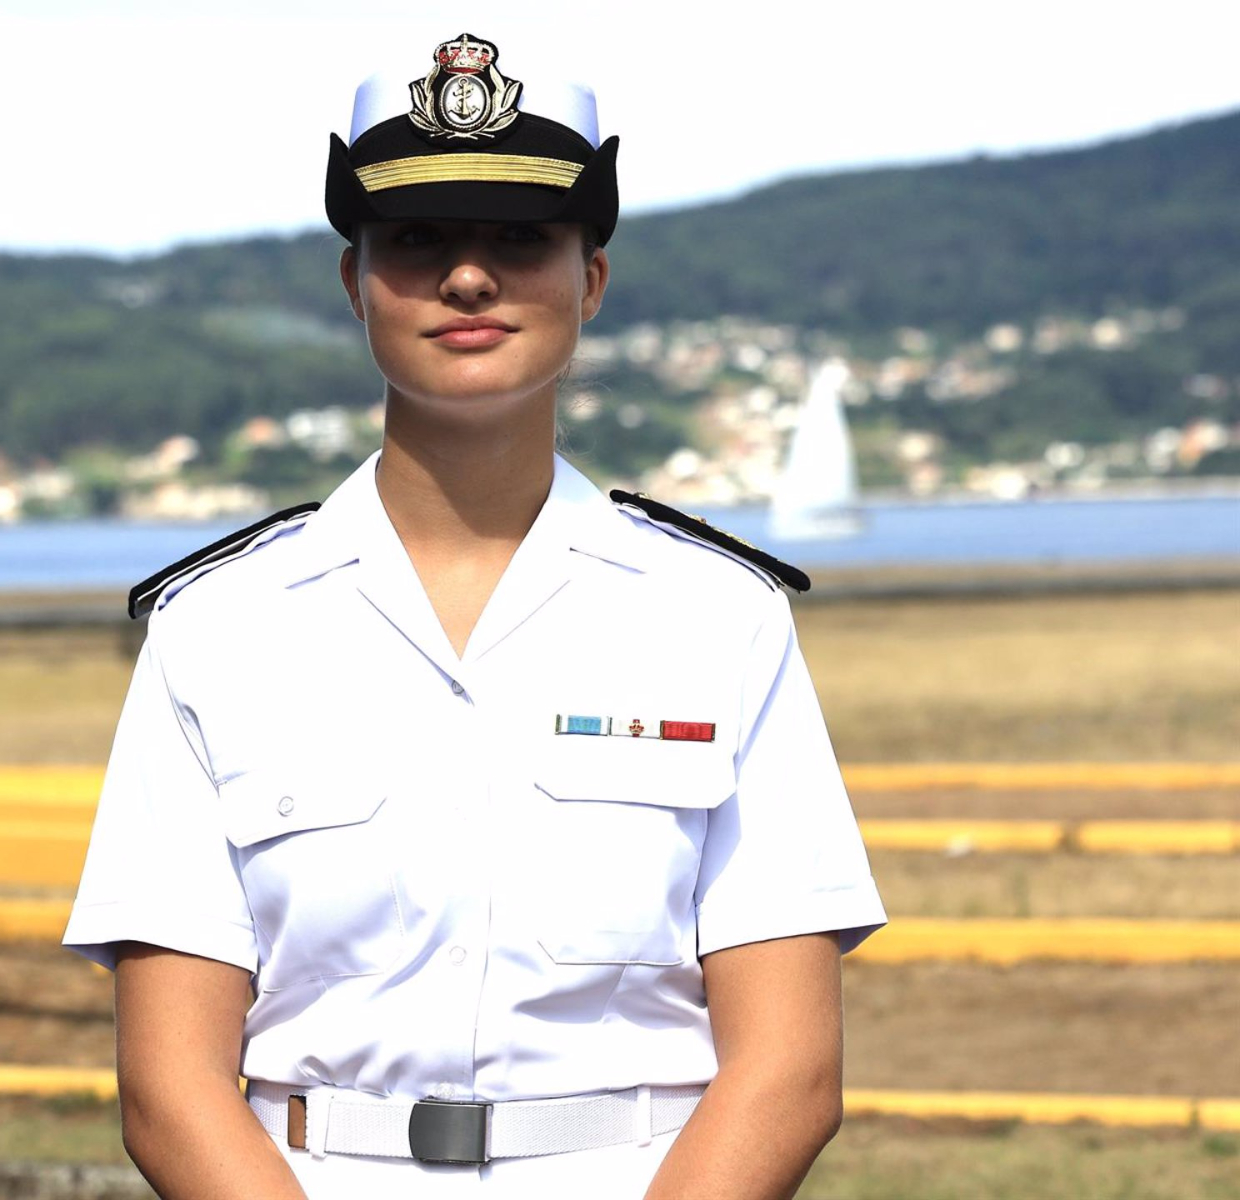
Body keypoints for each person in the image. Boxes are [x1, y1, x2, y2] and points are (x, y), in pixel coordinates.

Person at [63, 31, 886, 1200]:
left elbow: (790, 1072)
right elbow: (167, 1086)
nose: (466, 278)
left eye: (518, 239)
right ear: (353, 284)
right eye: (415, 242)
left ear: (590, 281)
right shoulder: (219, 627)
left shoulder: (718, 619)